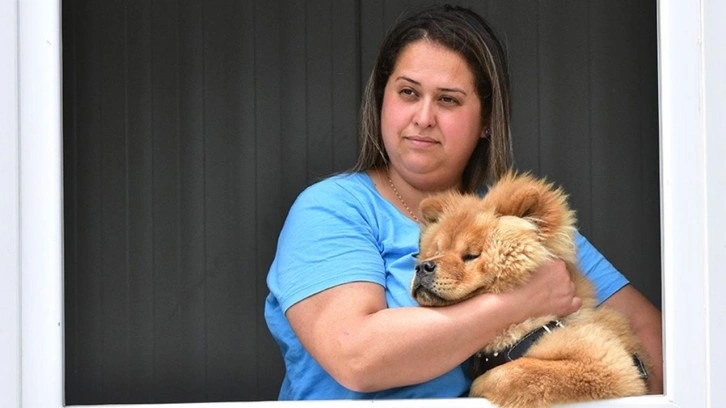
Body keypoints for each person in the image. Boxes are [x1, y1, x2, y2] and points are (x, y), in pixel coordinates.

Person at [264, 4, 663, 400]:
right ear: (381, 99)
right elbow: (357, 356)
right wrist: (516, 302)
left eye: (448, 100)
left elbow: (655, 343)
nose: (423, 117)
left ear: (487, 118)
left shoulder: (510, 221)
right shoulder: (333, 209)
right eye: (408, 92)